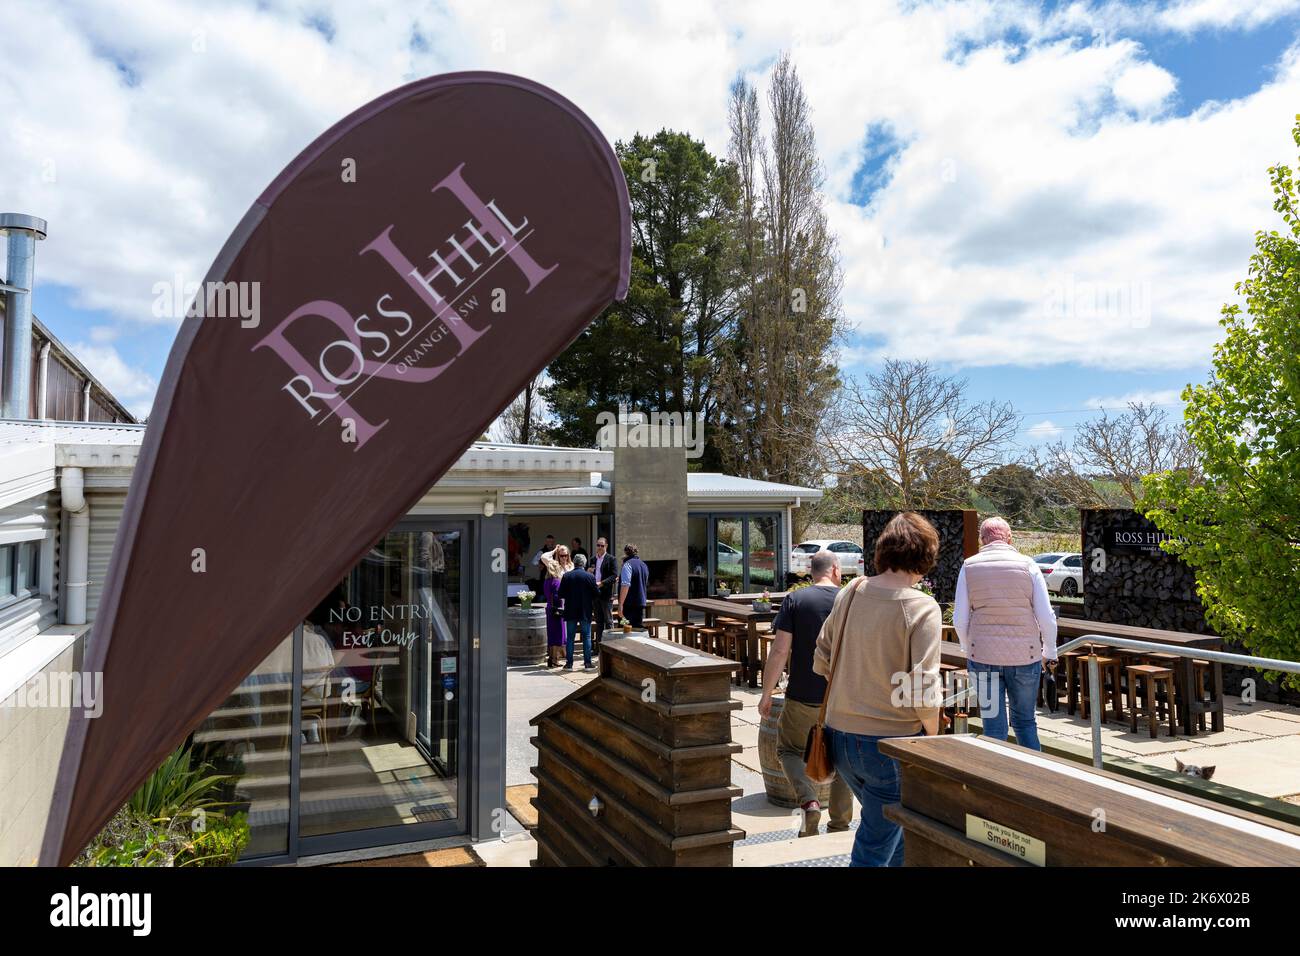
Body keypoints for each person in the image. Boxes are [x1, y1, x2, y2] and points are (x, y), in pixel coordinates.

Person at [814, 511, 942, 867]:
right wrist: (931, 737)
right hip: (891, 744)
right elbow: (924, 688)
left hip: (839, 738)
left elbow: (821, 658)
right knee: (873, 848)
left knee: (893, 835)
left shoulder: (850, 592)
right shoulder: (923, 607)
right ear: (925, 555)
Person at [758, 550, 853, 837]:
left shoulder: (795, 599)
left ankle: (809, 801)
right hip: (842, 696)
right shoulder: (849, 599)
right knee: (842, 759)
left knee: (788, 750)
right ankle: (839, 824)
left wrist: (766, 693)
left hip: (802, 695)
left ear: (812, 572)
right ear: (836, 570)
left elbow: (780, 650)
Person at [953, 516, 1058, 751]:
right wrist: (1049, 650)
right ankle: (1034, 779)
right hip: (1025, 656)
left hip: (982, 658)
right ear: (1010, 538)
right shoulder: (1028, 565)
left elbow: (959, 618)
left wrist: (967, 646)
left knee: (993, 727)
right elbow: (1046, 616)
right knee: (1025, 722)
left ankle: (994, 781)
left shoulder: (969, 566)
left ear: (982, 540)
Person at [557, 554, 600, 671]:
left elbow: (560, 594)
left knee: (570, 637)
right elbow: (597, 593)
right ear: (584, 563)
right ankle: (587, 663)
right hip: (585, 610)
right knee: (586, 636)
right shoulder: (589, 576)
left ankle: (569, 664)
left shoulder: (567, 576)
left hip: (570, 609)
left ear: (574, 563)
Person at [539, 543, 573, 668]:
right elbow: (544, 557)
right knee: (558, 634)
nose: (563, 558)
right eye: (561, 555)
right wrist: (554, 550)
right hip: (558, 608)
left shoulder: (547, 580)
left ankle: (555, 658)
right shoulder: (556, 580)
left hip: (552, 607)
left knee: (554, 634)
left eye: (565, 555)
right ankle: (555, 659)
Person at [590, 537, 617, 650]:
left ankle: (611, 647)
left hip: (606, 594)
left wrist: (602, 583)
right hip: (595, 594)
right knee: (599, 622)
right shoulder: (592, 559)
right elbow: (588, 573)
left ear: (606, 546)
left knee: (609, 621)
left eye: (602, 545)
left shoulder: (611, 559)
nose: (600, 547)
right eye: (598, 545)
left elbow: (614, 575)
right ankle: (599, 648)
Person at [618, 543, 650, 628]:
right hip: (640, 603)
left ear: (625, 553)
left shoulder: (627, 565)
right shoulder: (644, 565)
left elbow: (625, 585)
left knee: (625, 630)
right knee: (637, 630)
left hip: (628, 605)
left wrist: (620, 604)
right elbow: (643, 583)